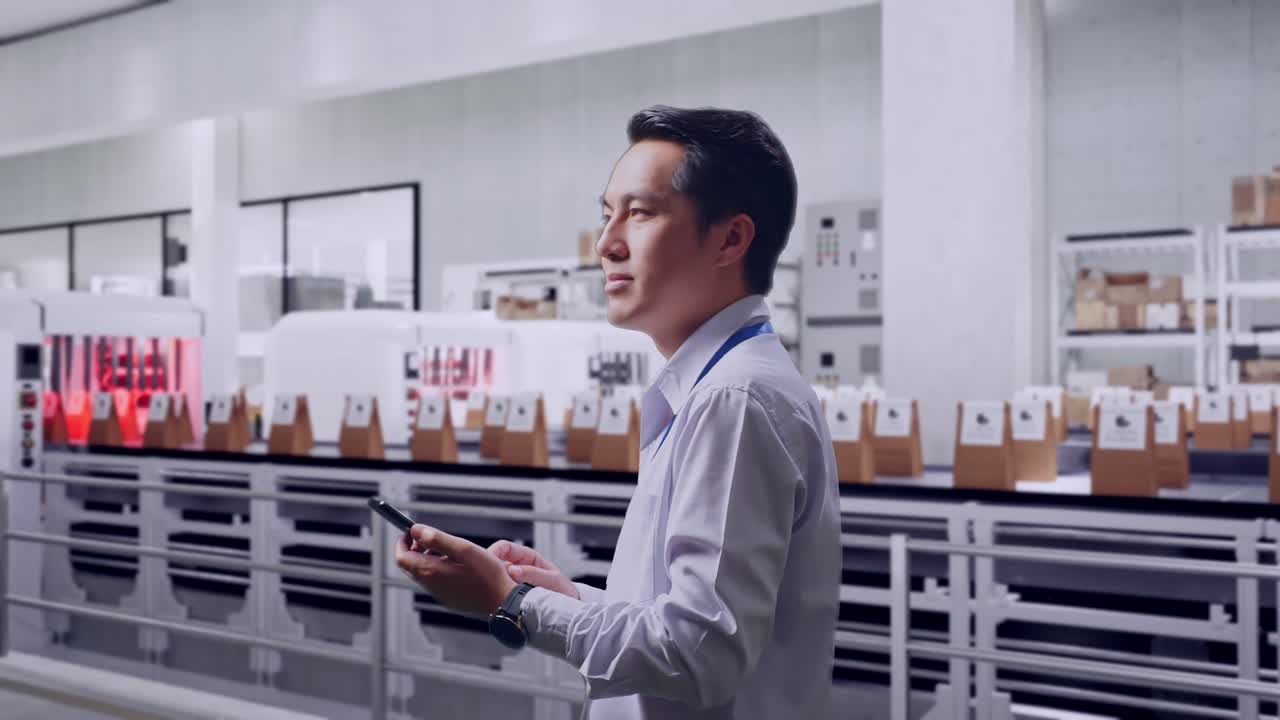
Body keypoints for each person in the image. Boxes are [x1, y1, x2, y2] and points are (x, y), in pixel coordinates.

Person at [395, 105, 841, 719]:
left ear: (732, 239)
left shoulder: (733, 400)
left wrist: (509, 602)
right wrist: (560, 596)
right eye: (608, 215)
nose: (606, 244)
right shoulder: (714, 388)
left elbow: (696, 655)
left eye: (641, 213)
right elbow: (679, 620)